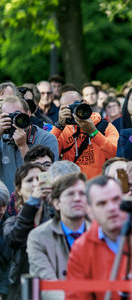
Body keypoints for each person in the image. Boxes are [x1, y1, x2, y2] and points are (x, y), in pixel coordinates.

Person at [26, 172, 89, 300]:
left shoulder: (101, 231)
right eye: (70, 194)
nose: (77, 198)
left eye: (82, 194)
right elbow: (47, 285)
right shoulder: (39, 237)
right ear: (56, 204)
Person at [66, 176, 128, 300]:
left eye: (116, 199)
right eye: (102, 203)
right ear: (89, 211)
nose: (112, 208)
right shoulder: (81, 249)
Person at [4, 163, 52, 300]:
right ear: (18, 190)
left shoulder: (54, 218)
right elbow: (14, 239)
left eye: (39, 179)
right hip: (22, 292)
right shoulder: (11, 223)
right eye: (30, 180)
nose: (36, 184)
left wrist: (52, 203)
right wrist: (33, 203)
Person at [51, 91, 118, 179]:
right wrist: (59, 126)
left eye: (75, 107)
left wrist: (93, 131)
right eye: (68, 109)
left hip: (99, 184)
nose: (73, 112)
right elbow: (47, 154)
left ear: (85, 103)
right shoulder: (63, 130)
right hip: (73, 185)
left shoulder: (105, 126)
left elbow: (116, 154)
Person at [0, 95, 59, 193]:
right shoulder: (1, 137)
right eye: (8, 116)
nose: (14, 120)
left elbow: (46, 177)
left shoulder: (47, 139)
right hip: (5, 204)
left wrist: (23, 146)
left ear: (28, 114)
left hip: (35, 200)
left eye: (18, 115)